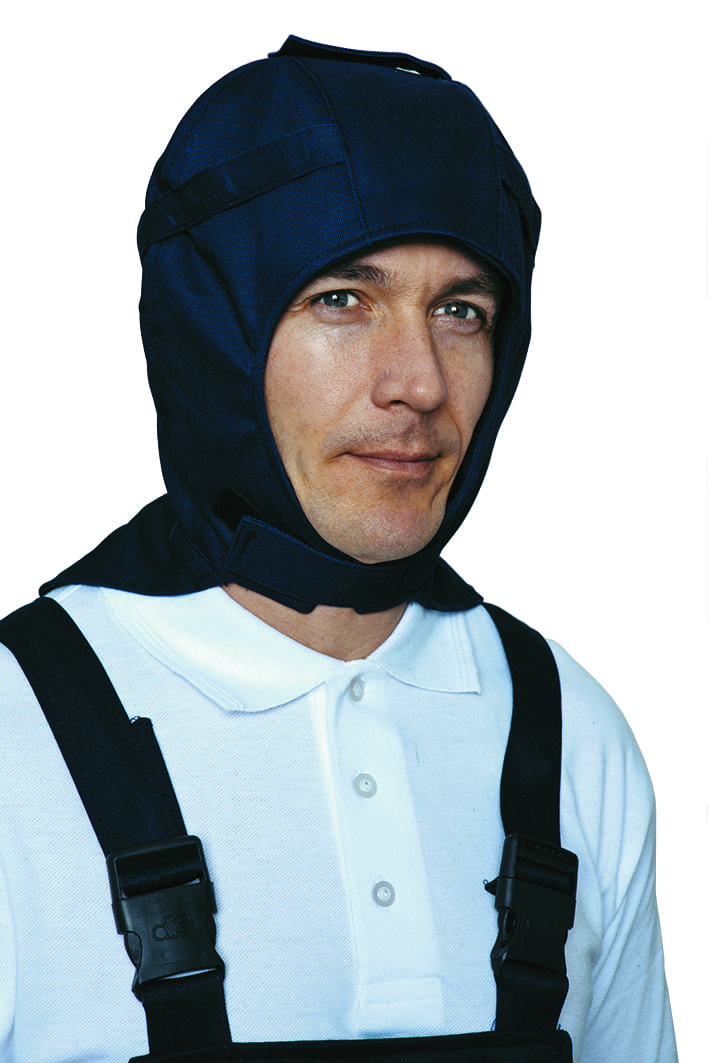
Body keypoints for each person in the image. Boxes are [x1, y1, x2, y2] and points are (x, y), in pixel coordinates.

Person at [0, 35, 677, 1063]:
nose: (420, 383)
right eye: (341, 300)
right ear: (215, 334)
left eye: (461, 310)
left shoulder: (569, 733)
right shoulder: (18, 735)